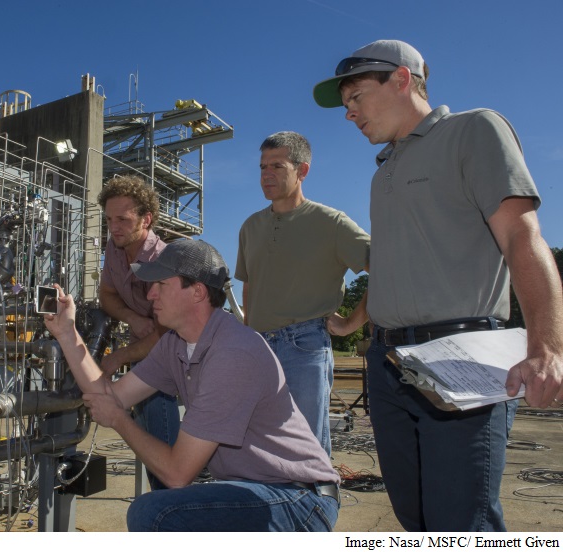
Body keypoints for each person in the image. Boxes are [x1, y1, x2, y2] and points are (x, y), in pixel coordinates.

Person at [313, 39, 563, 531]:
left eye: (357, 96)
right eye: (345, 105)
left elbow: (520, 235)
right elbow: (388, 266)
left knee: (459, 523)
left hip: (461, 355)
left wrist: (547, 345)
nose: (349, 112)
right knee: (414, 517)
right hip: (387, 367)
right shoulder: (382, 173)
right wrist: (350, 322)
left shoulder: (474, 130)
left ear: (402, 79)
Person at [44, 239, 340, 531]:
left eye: (161, 284)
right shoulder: (174, 343)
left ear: (197, 292)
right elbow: (109, 396)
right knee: (161, 510)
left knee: (154, 513)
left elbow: (177, 473)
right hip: (252, 490)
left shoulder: (233, 352)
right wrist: (67, 334)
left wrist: (119, 420)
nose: (150, 295)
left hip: (300, 499)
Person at [235, 131, 370, 457]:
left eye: (277, 166)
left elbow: (384, 268)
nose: (267, 175)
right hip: (260, 348)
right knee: (263, 445)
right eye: (262, 167)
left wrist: (351, 324)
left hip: (305, 346)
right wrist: (248, 337)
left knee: (306, 448)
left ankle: (319, 505)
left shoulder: (332, 222)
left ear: (303, 170)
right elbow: (250, 285)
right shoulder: (250, 227)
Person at [97, 175, 180, 490]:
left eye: (122, 219)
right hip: (142, 355)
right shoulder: (114, 247)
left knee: (162, 447)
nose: (113, 227)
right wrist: (133, 318)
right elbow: (107, 295)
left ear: (146, 219)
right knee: (147, 442)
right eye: (108, 220)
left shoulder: (165, 260)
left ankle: (171, 508)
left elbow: (166, 334)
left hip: (171, 358)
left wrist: (118, 357)